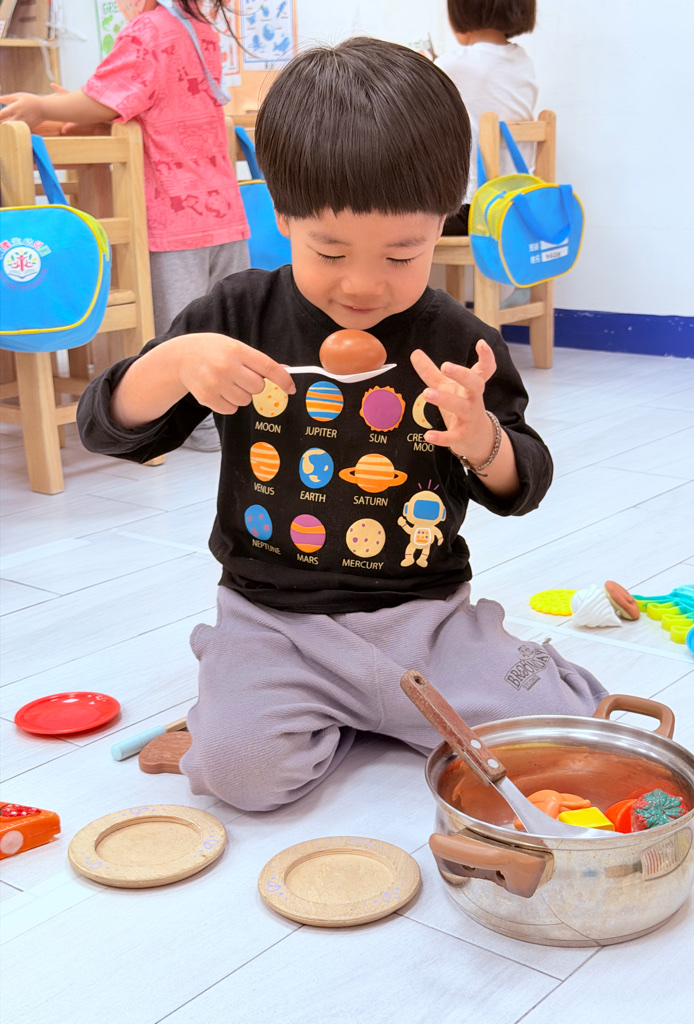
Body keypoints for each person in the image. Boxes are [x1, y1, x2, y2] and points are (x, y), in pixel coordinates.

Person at [75, 37, 605, 812]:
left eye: (402, 254)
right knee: (241, 774)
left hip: (426, 619)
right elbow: (105, 428)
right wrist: (174, 363)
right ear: (282, 215)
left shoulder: (458, 341)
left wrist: (482, 441)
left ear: (443, 222)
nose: (363, 285)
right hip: (273, 619)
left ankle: (391, 702)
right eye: (329, 251)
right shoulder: (236, 316)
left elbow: (524, 481)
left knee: (564, 738)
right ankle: (277, 695)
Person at [0, 0, 249, 452]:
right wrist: (80, 109)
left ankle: (198, 427)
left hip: (175, 214)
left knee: (180, 332)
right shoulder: (202, 31)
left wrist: (42, 104)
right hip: (223, 211)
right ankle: (232, 417)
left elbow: (108, 96)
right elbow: (141, 101)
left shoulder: (149, 29)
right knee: (226, 321)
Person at [436, 0, 538, 237]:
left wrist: (423, 64)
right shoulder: (523, 61)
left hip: (474, 211)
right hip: (519, 205)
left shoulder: (451, 65)